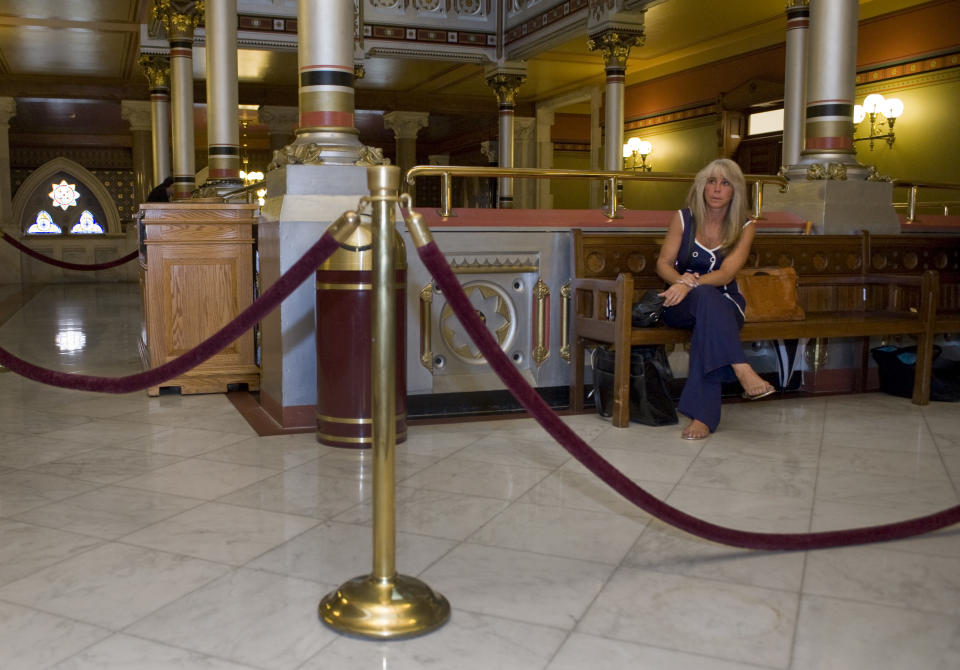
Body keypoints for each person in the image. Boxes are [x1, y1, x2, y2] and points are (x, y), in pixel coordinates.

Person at [656, 158, 775, 440]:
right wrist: (681, 283)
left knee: (708, 315)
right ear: (702, 186)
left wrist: (691, 283)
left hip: (725, 303)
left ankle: (703, 418)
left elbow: (725, 275)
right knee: (705, 302)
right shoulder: (683, 218)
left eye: (725, 183)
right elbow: (662, 263)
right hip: (678, 302)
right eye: (711, 181)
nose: (717, 189)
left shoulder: (745, 227)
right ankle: (742, 368)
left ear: (735, 191)